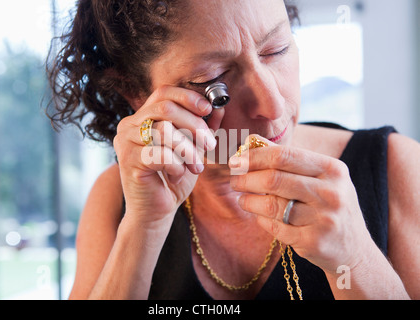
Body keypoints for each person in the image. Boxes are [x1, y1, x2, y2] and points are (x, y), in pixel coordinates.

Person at [47, 0, 419, 300]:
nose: (273, 106)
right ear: (137, 93)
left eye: (277, 50)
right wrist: (145, 226)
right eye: (214, 83)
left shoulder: (397, 167)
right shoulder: (118, 199)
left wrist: (356, 260)